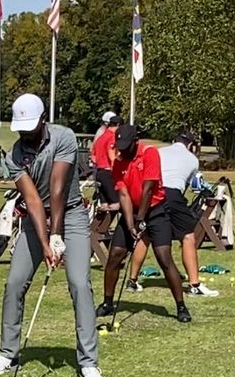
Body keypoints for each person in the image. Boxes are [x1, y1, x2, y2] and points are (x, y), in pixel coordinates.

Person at [0, 93, 104, 377]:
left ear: (43, 120)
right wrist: (46, 240)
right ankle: (7, 353)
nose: (26, 133)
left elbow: (58, 188)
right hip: (35, 220)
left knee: (79, 283)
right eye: (21, 127)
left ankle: (88, 362)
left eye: (30, 126)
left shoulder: (64, 137)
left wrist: (58, 236)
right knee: (14, 283)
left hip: (71, 216)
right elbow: (34, 200)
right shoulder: (14, 154)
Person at [97, 124, 192, 323]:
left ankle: (181, 306)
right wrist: (131, 224)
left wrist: (141, 220)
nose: (121, 150)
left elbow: (148, 189)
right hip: (132, 211)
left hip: (156, 211)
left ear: (135, 142)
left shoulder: (150, 154)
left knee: (163, 257)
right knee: (114, 256)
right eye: (119, 146)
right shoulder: (118, 162)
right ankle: (107, 303)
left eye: (125, 145)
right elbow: (123, 194)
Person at [124, 132, 220, 298]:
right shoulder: (192, 159)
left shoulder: (159, 152)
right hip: (173, 194)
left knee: (145, 235)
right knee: (188, 236)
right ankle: (195, 285)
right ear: (190, 144)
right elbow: (191, 185)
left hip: (152, 194)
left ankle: (132, 281)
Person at [91, 112, 121, 210]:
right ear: (118, 125)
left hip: (99, 171)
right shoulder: (112, 137)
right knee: (116, 204)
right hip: (108, 172)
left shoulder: (100, 137)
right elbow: (111, 154)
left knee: (105, 206)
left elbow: (93, 156)